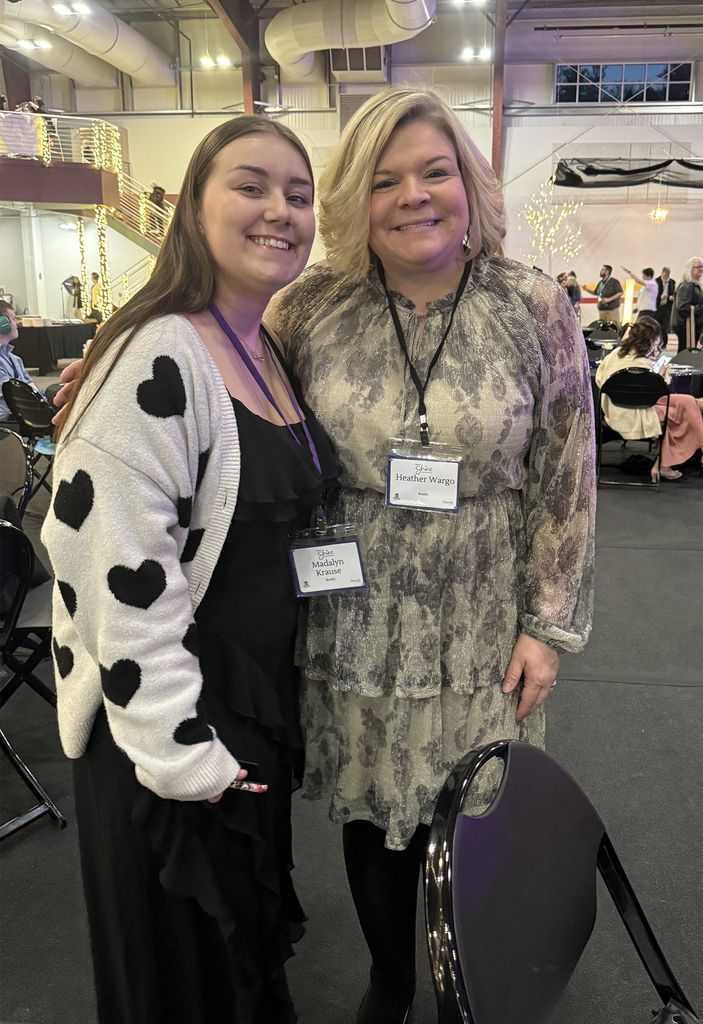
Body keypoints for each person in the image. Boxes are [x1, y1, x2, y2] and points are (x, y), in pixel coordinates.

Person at [267, 87, 596, 1024]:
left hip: (485, 606)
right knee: (374, 811)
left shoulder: (532, 304)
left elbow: (568, 474)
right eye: (384, 180)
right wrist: (116, 357)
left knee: (476, 807)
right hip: (352, 602)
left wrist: (547, 626)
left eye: (434, 170)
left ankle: (470, 981)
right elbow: (218, 376)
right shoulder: (308, 307)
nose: (414, 195)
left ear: (468, 182)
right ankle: (389, 979)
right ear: (352, 202)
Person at [42, 115, 337, 1024]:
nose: (279, 210)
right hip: (165, 724)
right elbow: (109, 568)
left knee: (235, 962)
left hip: (244, 703)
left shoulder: (259, 345)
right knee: (181, 977)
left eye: (297, 193)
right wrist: (179, 754)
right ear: (191, 210)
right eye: (250, 186)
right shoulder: (160, 350)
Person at [596, 315, 703, 481]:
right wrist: (661, 378)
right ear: (652, 341)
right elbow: (654, 397)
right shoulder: (643, 366)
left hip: (615, 412)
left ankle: (669, 461)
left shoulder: (614, 355)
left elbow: (600, 382)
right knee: (682, 412)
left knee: (687, 403)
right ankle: (664, 464)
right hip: (637, 415)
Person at [0, 300, 46, 421]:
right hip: (12, 421)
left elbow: (30, 390)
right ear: (3, 324)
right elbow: (16, 395)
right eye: (14, 319)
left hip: (25, 413)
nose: (17, 323)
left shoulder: (14, 359)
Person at [671, 256, 703, 353]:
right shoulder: (686, 285)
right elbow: (682, 307)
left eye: (702, 267)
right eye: (698, 267)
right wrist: (701, 308)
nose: (701, 269)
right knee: (685, 352)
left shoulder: (694, 285)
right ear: (690, 269)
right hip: (686, 326)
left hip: (692, 325)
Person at [655, 266, 676, 338]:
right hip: (657, 307)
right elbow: (652, 294)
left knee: (665, 326)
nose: (666, 277)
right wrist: (659, 297)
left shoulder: (672, 283)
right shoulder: (656, 282)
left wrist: (672, 297)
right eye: (665, 275)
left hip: (666, 307)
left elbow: (675, 293)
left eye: (668, 275)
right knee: (656, 325)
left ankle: (664, 343)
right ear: (662, 274)